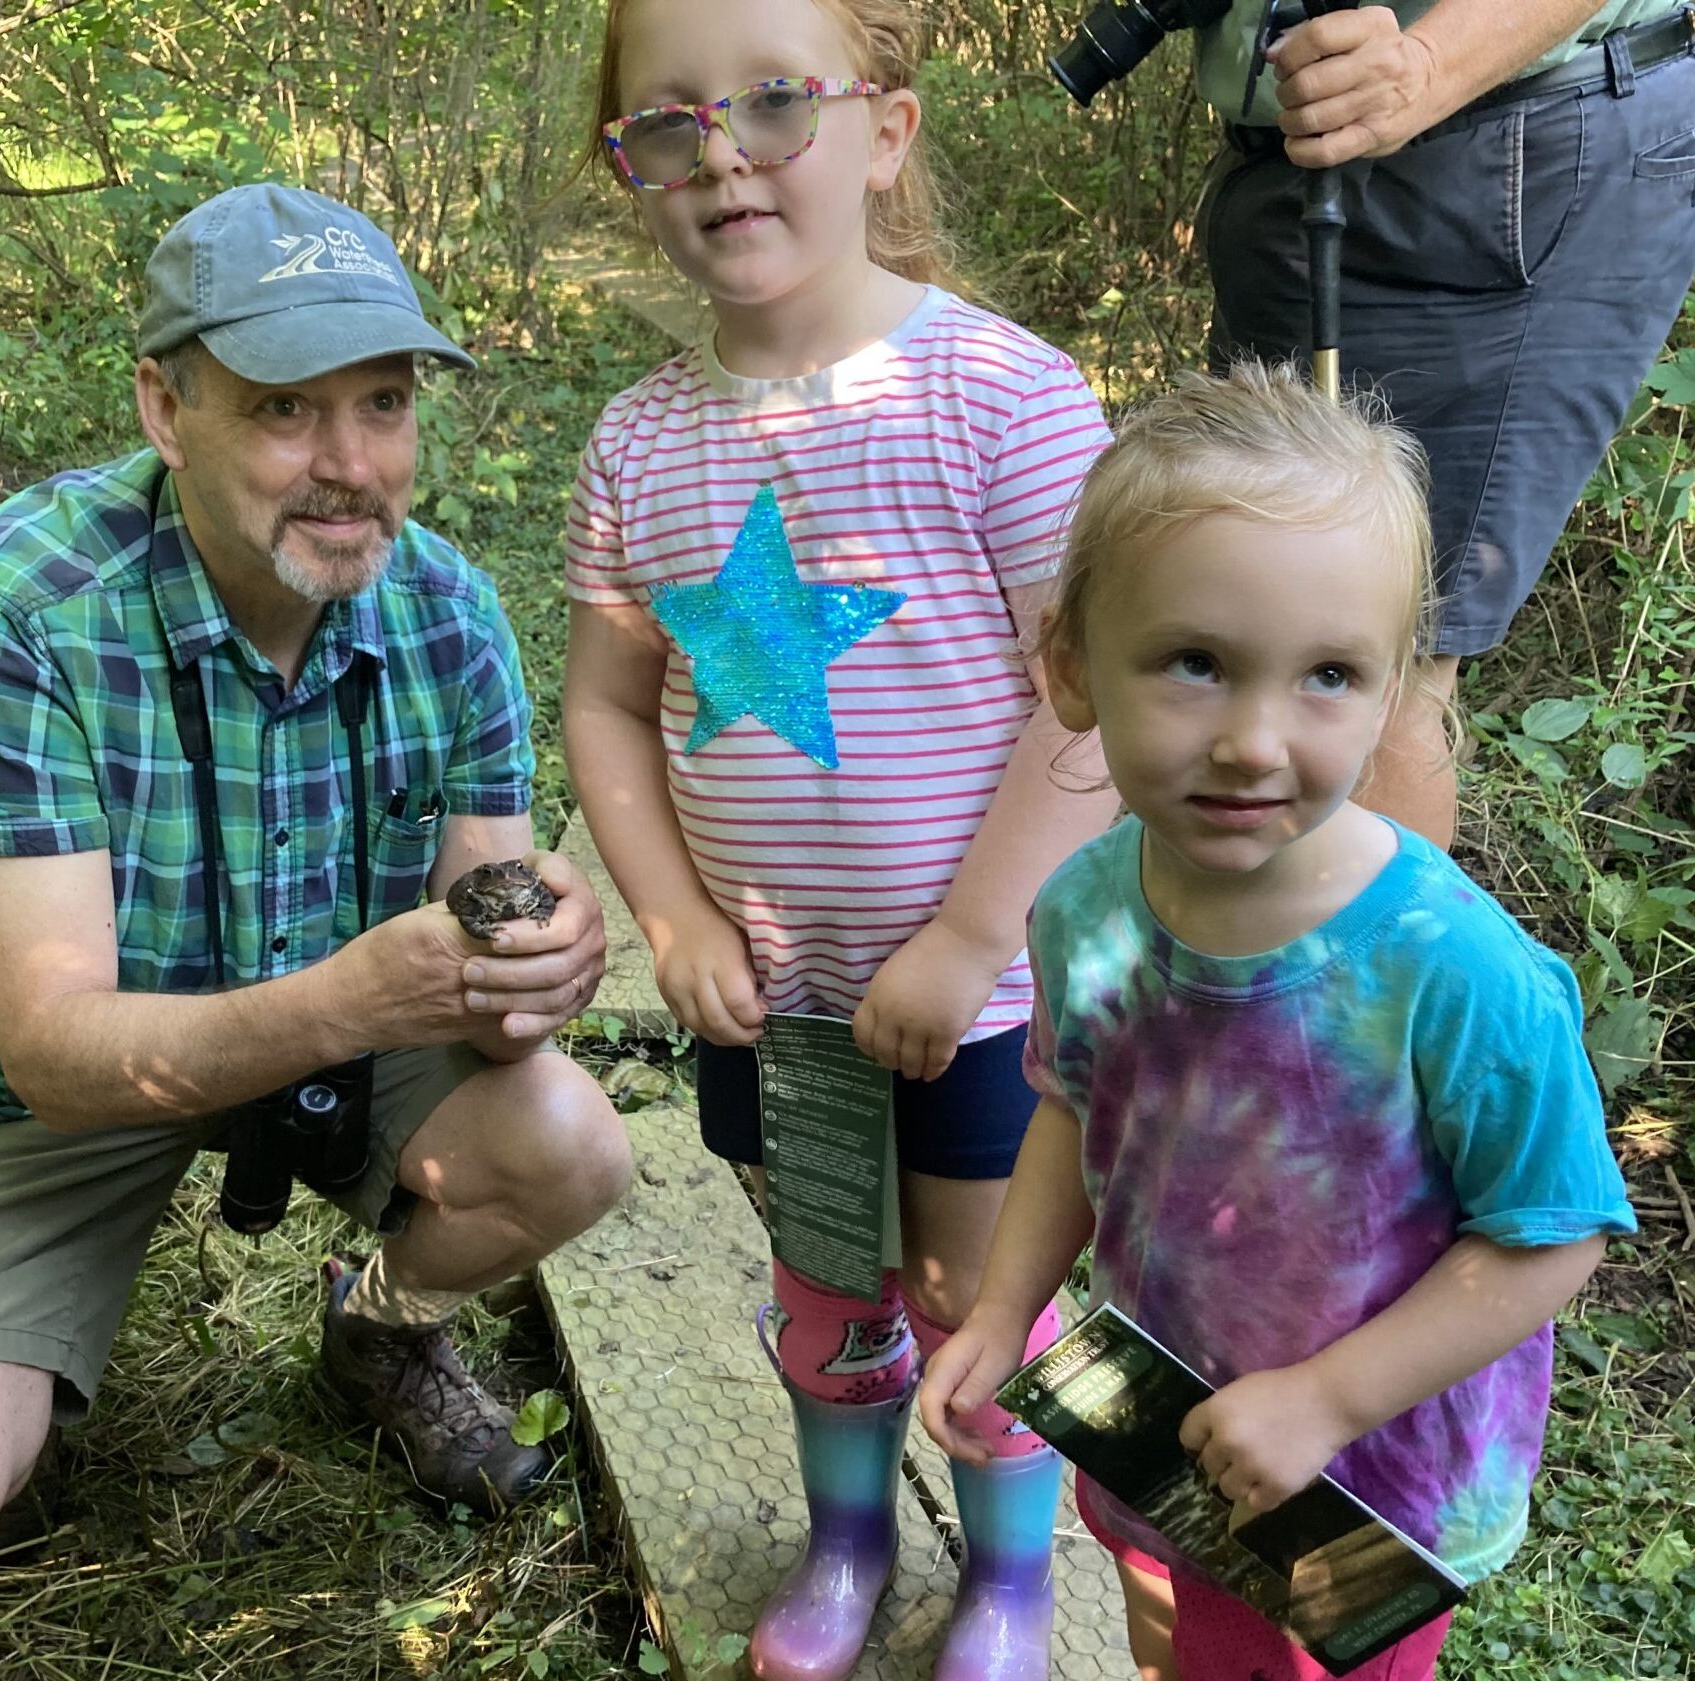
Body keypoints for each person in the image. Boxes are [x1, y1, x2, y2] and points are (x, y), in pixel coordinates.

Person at [0, 183, 634, 1576]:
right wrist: (352, 999)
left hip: (350, 1038)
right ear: (162, 408)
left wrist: (535, 965)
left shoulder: (450, 613)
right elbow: (56, 1048)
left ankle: (379, 1329)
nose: (349, 462)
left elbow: (492, 998)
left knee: (568, 1140)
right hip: (66, 1089)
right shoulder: (32, 605)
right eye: (282, 410)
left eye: (383, 403)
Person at [920, 364, 1637, 1681]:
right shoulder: (1085, 909)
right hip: (1159, 1411)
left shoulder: (1456, 971)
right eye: (1196, 662)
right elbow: (1076, 1104)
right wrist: (1000, 1304)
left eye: (1326, 676)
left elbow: (1552, 1240)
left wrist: (1327, 1400)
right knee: (1176, 1617)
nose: (1256, 740)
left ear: (1392, 693)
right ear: (1072, 669)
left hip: (1368, 1482)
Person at [563, 3, 1117, 1677]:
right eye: (666, 124)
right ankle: (850, 1540)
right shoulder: (635, 443)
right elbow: (602, 707)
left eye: (773, 105)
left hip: (993, 1001)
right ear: (629, 173)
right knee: (830, 1284)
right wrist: (668, 922)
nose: (719, 151)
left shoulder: (1003, 399)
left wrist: (966, 937)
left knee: (977, 1299)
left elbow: (1086, 704)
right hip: (776, 999)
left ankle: (1010, 1577)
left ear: (882, 131)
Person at [1193, 0, 1695, 848]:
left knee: (1373, 661)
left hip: (1510, 134)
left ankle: (1373, 978)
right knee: (1245, 621)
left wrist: (1428, 66)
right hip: (1292, 168)